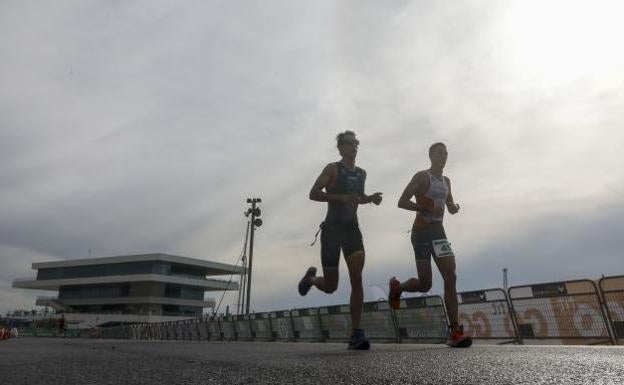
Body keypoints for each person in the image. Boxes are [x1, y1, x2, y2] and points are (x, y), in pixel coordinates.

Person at [298, 130, 382, 350]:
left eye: (356, 143)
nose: (354, 146)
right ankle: (311, 280)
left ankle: (356, 333)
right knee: (331, 286)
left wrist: (370, 199)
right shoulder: (332, 169)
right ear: (340, 147)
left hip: (352, 230)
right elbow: (313, 193)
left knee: (357, 277)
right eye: (350, 143)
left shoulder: (362, 173)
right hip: (332, 231)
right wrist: (339, 197)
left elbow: (358, 198)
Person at [388, 142, 472, 348]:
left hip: (438, 232)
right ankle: (398, 288)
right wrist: (423, 208)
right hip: (421, 232)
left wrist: (453, 207)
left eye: (445, 153)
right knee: (425, 285)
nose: (443, 156)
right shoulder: (422, 177)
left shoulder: (447, 181)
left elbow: (449, 204)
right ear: (431, 156)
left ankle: (454, 331)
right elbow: (401, 201)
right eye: (439, 153)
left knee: (450, 276)